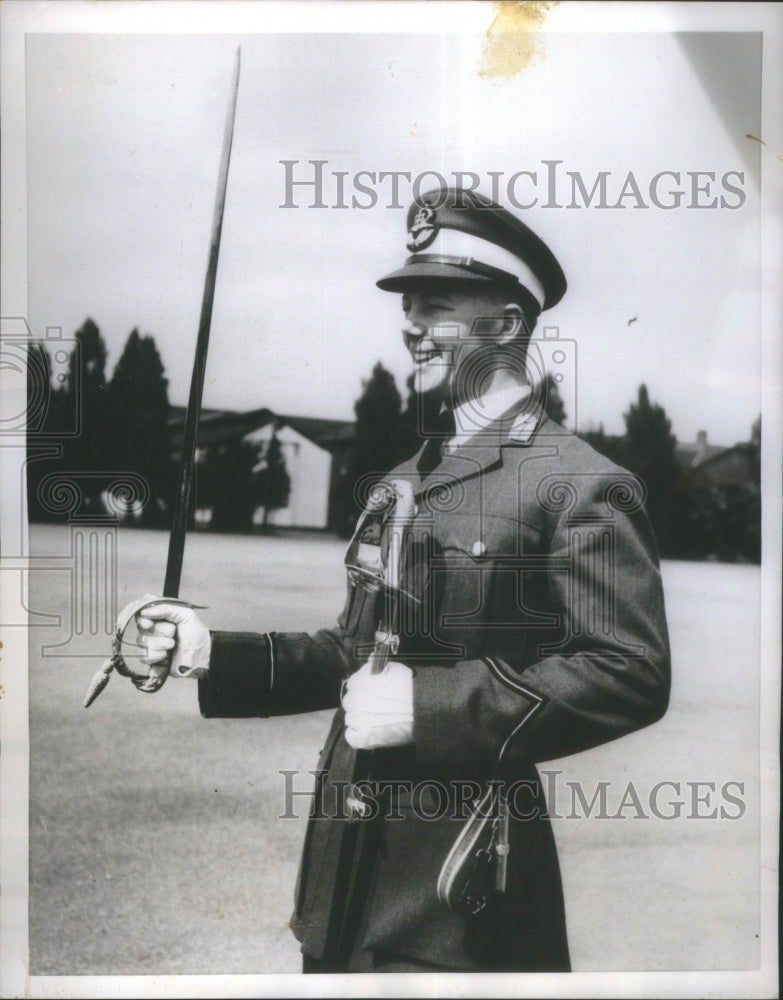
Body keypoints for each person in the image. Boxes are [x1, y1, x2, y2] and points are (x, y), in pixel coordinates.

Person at [136, 185, 671, 973]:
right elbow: (355, 651)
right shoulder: (404, 478)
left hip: (460, 901)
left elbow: (627, 670)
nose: (410, 326)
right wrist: (209, 651)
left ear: (509, 322)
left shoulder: (578, 482)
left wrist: (427, 707)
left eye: (435, 304)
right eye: (407, 305)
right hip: (344, 885)